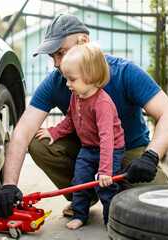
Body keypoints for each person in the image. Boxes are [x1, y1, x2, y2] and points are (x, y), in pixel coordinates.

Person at [0, 13, 168, 219]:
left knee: (158, 204)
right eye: (52, 57)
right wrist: (8, 185)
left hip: (128, 150)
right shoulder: (56, 81)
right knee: (39, 142)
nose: (56, 64)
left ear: (84, 41)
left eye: (60, 53)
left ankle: (117, 192)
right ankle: (84, 195)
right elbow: (23, 131)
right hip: (87, 150)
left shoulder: (125, 72)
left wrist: (150, 157)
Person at [35, 40, 125, 229]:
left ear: (91, 77)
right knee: (80, 181)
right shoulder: (76, 96)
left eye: (72, 79)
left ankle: (111, 220)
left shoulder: (102, 104)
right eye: (67, 79)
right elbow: (70, 120)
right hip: (88, 148)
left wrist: (105, 170)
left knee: (106, 186)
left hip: (110, 149)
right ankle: (80, 215)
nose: (67, 84)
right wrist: (54, 132)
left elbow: (107, 138)